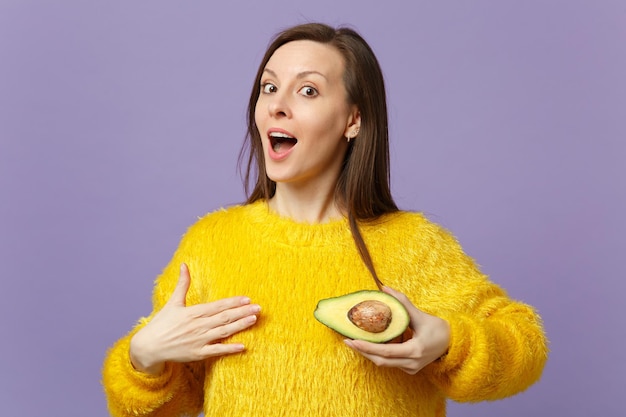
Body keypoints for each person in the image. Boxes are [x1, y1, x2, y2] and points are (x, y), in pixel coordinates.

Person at [102, 23, 548, 417]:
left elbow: (524, 343)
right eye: (269, 87)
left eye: (308, 90)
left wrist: (451, 342)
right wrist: (143, 361)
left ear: (353, 120)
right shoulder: (210, 244)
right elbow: (167, 405)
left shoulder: (415, 244)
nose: (277, 106)